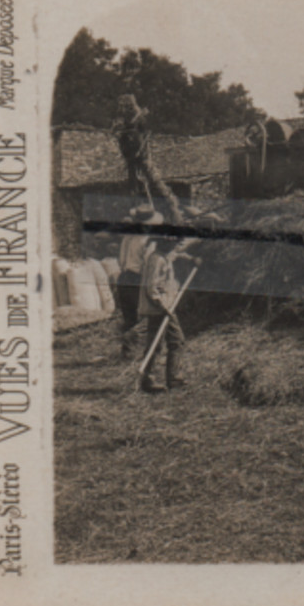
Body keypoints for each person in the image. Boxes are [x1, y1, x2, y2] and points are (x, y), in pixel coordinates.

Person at [137, 231, 198, 393]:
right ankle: (156, 380)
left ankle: (167, 379)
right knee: (170, 342)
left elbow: (177, 254)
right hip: (159, 308)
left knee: (169, 342)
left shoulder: (164, 256)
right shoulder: (156, 260)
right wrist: (163, 307)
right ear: (163, 243)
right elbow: (152, 288)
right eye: (172, 243)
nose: (174, 246)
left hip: (165, 307)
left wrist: (192, 259)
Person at [111, 94, 183, 224]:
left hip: (142, 157)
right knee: (134, 186)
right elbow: (118, 134)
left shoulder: (139, 121)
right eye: (122, 106)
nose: (123, 109)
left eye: (126, 106)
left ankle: (173, 210)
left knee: (154, 180)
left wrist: (139, 151)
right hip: (131, 159)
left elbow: (143, 136)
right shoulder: (123, 124)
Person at [116, 205, 158, 360]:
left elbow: (121, 260)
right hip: (137, 279)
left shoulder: (129, 237)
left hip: (123, 277)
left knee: (129, 316)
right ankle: (141, 351)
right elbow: (148, 264)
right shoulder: (149, 241)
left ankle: (127, 354)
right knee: (144, 315)